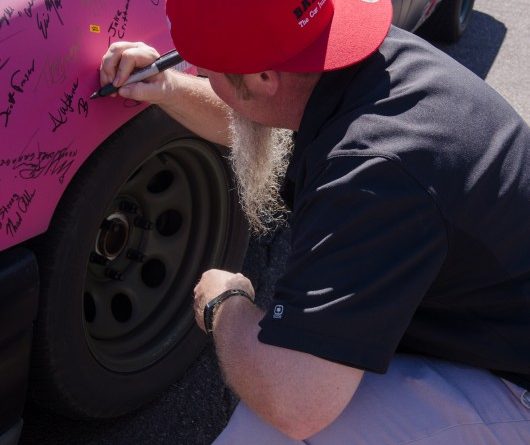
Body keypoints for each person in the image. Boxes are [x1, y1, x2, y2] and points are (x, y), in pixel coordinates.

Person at [99, 0, 530, 443]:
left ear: (264, 76)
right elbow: (259, 113)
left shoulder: (370, 174)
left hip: (516, 384)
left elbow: (297, 402)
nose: (201, 78)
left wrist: (225, 307)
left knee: (266, 431)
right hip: (493, 329)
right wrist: (167, 87)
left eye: (206, 73)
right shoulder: (361, 63)